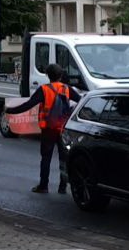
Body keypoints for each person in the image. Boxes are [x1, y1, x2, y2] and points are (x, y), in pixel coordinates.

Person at [5, 63, 80, 194]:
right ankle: (63, 187)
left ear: (47, 76)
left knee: (46, 158)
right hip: (63, 128)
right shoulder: (67, 89)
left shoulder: (44, 90)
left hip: (48, 129)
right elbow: (80, 101)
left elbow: (28, 105)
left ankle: (43, 185)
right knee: (63, 158)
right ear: (61, 75)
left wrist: (11, 110)